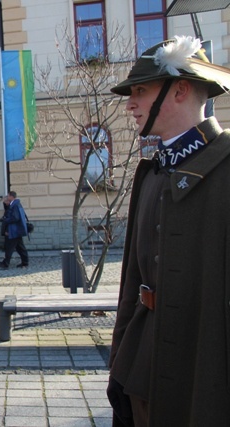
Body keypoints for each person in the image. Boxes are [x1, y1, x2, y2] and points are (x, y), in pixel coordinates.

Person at [107, 36, 230, 426]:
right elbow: (133, 284)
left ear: (180, 90)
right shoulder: (152, 172)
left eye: (140, 91)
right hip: (144, 367)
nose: (130, 104)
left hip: (206, 375)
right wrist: (121, 357)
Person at [0, 191, 29, 268]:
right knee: (20, 247)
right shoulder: (15, 204)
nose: (7, 197)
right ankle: (25, 262)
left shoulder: (15, 205)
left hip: (14, 230)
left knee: (9, 247)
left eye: (8, 196)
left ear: (12, 197)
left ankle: (6, 263)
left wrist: (5, 220)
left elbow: (15, 218)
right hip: (16, 230)